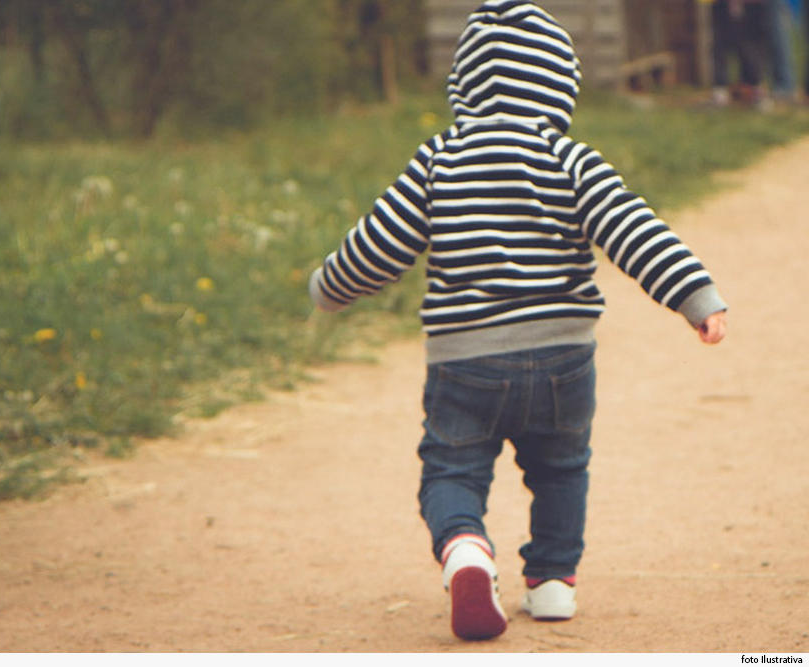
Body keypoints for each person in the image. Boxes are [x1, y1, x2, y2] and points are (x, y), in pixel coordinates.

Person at [308, 0, 728, 641]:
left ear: (465, 84)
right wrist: (695, 296)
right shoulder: (570, 159)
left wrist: (330, 288)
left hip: (464, 363)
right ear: (560, 82)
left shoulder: (438, 160)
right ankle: (554, 581)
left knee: (451, 470)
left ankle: (467, 550)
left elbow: (379, 243)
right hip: (563, 359)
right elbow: (633, 230)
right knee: (561, 468)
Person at [710, 0, 772, 107]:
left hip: (750, 6)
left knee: (748, 43)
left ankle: (755, 89)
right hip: (728, 5)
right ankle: (722, 92)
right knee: (722, 42)